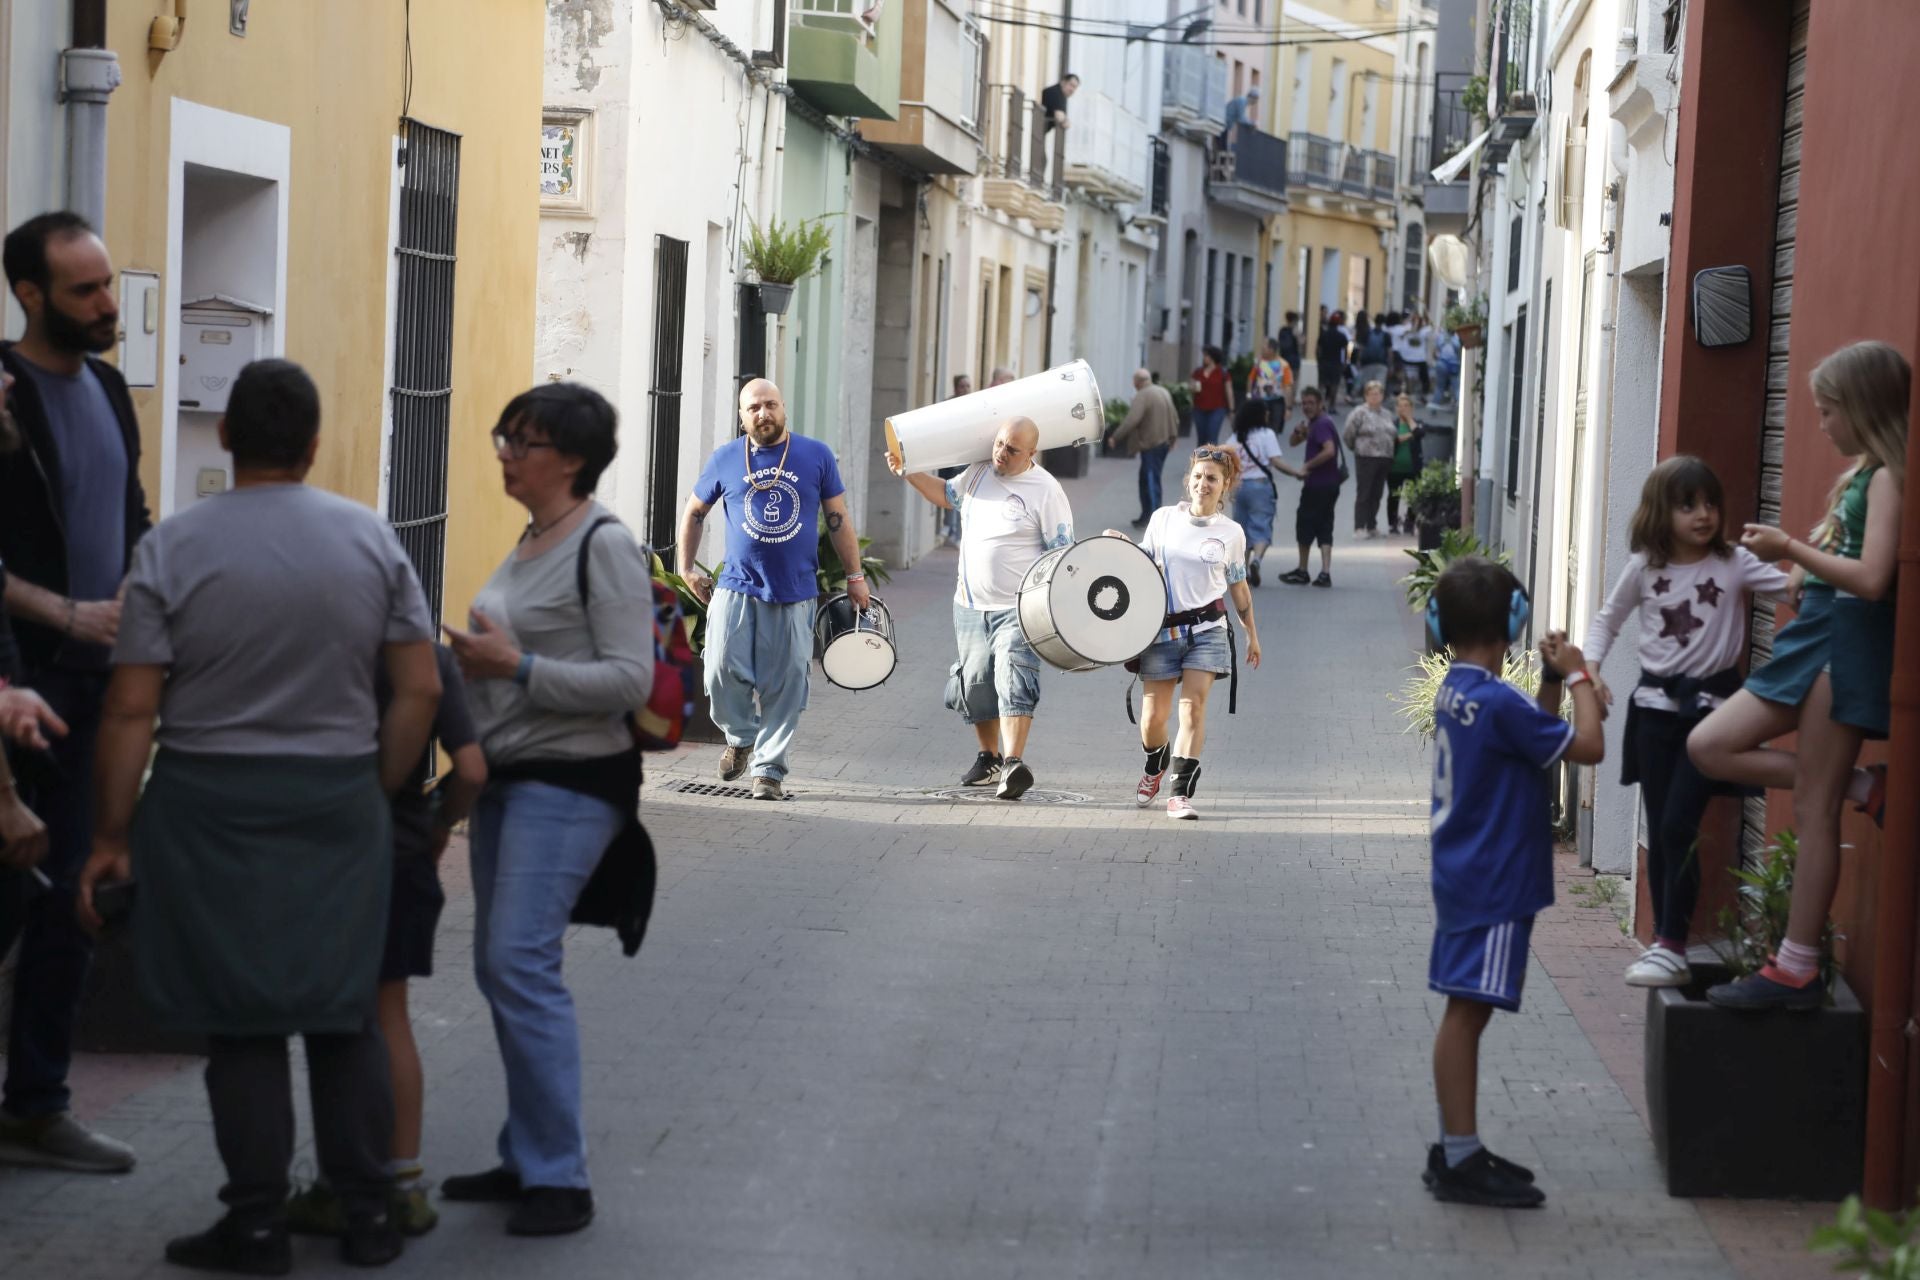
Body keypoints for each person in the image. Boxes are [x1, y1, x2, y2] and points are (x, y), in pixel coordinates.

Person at [76, 358, 443, 1269]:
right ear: (314, 445)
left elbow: (129, 707)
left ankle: (257, 1223)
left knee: (240, 1024)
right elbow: (419, 688)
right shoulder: (370, 541)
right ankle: (366, 1215)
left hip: (208, 804)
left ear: (227, 437)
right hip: (336, 801)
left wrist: (112, 834)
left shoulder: (172, 549)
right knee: (343, 1011)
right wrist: (376, 781)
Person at [438, 382, 653, 1236]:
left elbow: (628, 681)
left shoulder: (602, 544)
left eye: (519, 441)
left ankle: (561, 1180)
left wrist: (514, 669)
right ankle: (527, 1153)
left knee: (519, 965)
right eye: (503, 436)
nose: (502, 452)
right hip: (513, 779)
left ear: (569, 458)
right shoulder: (534, 538)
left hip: (571, 782)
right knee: (503, 966)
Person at [1688, 340, 1908, 1010]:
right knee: (1710, 746)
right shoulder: (1869, 474)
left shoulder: (1889, 477)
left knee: (1812, 808)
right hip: (1817, 640)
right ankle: (1864, 785)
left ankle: (1797, 965)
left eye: (1829, 410)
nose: (1821, 423)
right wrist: (1794, 571)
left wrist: (1792, 548)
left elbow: (1873, 580)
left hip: (1842, 649)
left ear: (1864, 409)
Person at [0, 210, 146, 1175]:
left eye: (106, 285)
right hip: (20, 684)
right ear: (29, 295)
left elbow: (130, 510)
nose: (106, 306)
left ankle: (38, 1106)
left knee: (72, 905)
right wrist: (63, 613)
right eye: (86, 290)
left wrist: (136, 592)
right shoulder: (2, 395)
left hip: (96, 690)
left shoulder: (105, 387)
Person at [283, 640, 488, 1241]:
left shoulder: (313, 646)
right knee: (388, 1012)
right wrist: (440, 824)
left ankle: (336, 1179)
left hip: (319, 853)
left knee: (332, 1024)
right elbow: (472, 769)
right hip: (401, 852)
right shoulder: (423, 654)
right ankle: (401, 1182)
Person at [1424, 557, 1603, 1208]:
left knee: (1462, 1009)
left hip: (1466, 874)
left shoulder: (1461, 691)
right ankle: (1460, 1158)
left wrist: (1553, 684)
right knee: (1468, 1012)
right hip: (1496, 880)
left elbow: (1538, 739)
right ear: (1513, 625)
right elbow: (1587, 747)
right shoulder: (1496, 702)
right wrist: (1580, 673)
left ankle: (1458, 1147)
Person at [1583, 457, 1787, 990]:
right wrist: (1591, 670)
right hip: (1653, 714)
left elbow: (1793, 590)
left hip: (1712, 714)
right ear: (1660, 511)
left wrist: (1804, 564)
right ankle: (1667, 944)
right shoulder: (1645, 567)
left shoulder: (1735, 562)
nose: (1704, 514)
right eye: (1688, 504)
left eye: (1711, 503)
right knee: (1665, 830)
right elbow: (1607, 620)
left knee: (1678, 825)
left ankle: (1671, 944)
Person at [679, 378, 868, 801]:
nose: (763, 414)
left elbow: (838, 519)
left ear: (783, 407)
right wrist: (686, 567)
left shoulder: (815, 455)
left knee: (786, 684)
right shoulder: (726, 458)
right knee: (719, 668)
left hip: (795, 590)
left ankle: (768, 770)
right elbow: (694, 511)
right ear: (742, 417)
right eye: (753, 408)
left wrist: (855, 576)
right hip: (735, 586)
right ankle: (741, 736)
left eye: (770, 405)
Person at [888, 417, 1073, 800]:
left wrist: (1053, 607)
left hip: (1018, 608)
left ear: (1031, 453)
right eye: (1000, 444)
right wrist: (908, 472)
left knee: (1014, 679)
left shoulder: (1046, 490)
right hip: (969, 603)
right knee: (975, 684)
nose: (1001, 454)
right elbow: (945, 495)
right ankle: (988, 759)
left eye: (1012, 450)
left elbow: (1061, 551)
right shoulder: (977, 473)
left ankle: (1013, 763)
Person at [1107, 448, 1261, 820]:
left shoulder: (1231, 533)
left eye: (1212, 479)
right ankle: (1155, 762)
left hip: (1207, 630)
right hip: (1163, 630)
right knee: (1152, 720)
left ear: (1225, 485)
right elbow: (1142, 562)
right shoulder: (1163, 520)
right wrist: (1120, 543)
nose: (1203, 484)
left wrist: (1250, 634)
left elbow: (1238, 588)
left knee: (1192, 709)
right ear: (1188, 479)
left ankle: (1179, 793)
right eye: (1198, 477)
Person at [1277, 386, 1341, 588]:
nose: (1306, 407)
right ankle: (1324, 572)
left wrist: (1307, 466)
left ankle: (1303, 570)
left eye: (1311, 403)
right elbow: (1293, 442)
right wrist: (1298, 432)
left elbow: (1329, 451)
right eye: (1304, 403)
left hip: (1318, 485)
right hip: (1330, 484)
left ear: (1321, 403)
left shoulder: (1321, 424)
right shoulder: (1317, 423)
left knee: (1305, 523)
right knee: (1324, 525)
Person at [1106, 367, 1177, 529]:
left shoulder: (1143, 395)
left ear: (1138, 381)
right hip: (1163, 443)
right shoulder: (1162, 391)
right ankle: (1147, 515)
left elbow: (1132, 420)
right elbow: (1174, 416)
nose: (1133, 384)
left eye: (1133, 381)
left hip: (1152, 444)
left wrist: (1115, 437)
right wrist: (1173, 437)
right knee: (1147, 479)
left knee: (1150, 481)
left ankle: (1154, 518)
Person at [1225, 397, 1284, 586]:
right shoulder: (1267, 434)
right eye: (1266, 412)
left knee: (1241, 530)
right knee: (1261, 527)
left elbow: (1224, 461)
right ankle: (1256, 561)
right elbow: (1275, 461)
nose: (1268, 414)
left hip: (1239, 487)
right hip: (1260, 486)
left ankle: (1241, 573)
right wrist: (1298, 473)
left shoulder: (1234, 438)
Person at [1343, 381, 1398, 539]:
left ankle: (1372, 525)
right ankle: (1359, 526)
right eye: (1372, 394)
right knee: (1364, 492)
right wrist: (1357, 448)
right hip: (1366, 457)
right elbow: (1348, 433)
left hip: (1384, 458)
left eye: (1378, 393)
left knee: (1377, 493)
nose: (1375, 397)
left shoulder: (1387, 414)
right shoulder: (1359, 413)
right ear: (1366, 395)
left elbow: (1392, 433)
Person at [937, 374, 973, 546]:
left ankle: (958, 534)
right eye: (962, 386)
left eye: (968, 386)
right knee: (948, 489)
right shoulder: (947, 406)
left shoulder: (974, 405)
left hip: (965, 456)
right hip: (949, 457)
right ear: (956, 388)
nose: (965, 389)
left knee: (962, 494)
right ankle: (948, 525)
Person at [1386, 393, 1424, 536]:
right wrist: (1409, 435)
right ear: (1396, 408)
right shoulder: (1392, 424)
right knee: (1394, 496)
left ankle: (1410, 522)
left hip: (1413, 467)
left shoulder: (1416, 422)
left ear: (1411, 408)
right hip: (1394, 467)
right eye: (1400, 406)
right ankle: (1393, 523)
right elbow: (1392, 439)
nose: (1403, 408)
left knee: (1414, 497)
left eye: (1406, 406)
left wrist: (1409, 420)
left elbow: (1420, 433)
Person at [1190, 346, 1232, 447]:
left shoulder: (1223, 373)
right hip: (1199, 408)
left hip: (1217, 409)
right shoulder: (1198, 372)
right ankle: (1200, 462)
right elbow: (1191, 386)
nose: (1204, 358)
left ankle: (1211, 462)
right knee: (1201, 439)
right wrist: (1192, 387)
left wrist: (1231, 409)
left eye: (1206, 356)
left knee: (1212, 438)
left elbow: (1229, 391)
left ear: (1213, 357)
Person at [1254, 336, 1291, 428]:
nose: (1262, 348)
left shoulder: (1284, 365)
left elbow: (1287, 386)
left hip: (1277, 402)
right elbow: (1251, 379)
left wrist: (1288, 408)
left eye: (1264, 346)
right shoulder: (1259, 362)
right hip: (1260, 401)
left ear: (1271, 350)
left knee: (1274, 429)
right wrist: (1249, 396)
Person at [1316, 312, 1350, 407]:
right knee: (1334, 384)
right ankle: (1332, 405)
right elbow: (1347, 350)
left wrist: (1318, 360)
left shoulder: (1323, 334)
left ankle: (1320, 404)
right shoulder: (1341, 336)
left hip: (1324, 361)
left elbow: (1318, 349)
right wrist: (1346, 361)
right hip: (1336, 362)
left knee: (1321, 384)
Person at [1405, 314, 1436, 397]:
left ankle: (1423, 392)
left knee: (1423, 378)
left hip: (1420, 358)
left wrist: (1427, 316)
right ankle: (1410, 392)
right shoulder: (1407, 330)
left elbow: (1432, 327)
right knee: (1410, 377)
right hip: (1409, 358)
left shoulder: (1424, 331)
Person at [1432, 330, 1462, 407]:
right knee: (1456, 387)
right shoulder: (1457, 337)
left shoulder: (1441, 336)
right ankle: (1459, 406)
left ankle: (1434, 405)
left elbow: (1437, 348)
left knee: (1439, 387)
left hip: (1442, 362)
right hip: (1453, 364)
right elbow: (1458, 349)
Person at [1277, 312, 1303, 387]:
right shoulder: (1296, 331)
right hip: (1294, 360)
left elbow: (1280, 345)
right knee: (1294, 382)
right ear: (1294, 321)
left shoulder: (1282, 330)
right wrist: (1298, 338)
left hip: (1284, 359)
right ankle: (1291, 397)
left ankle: (1286, 397)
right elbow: (1300, 345)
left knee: (1285, 382)